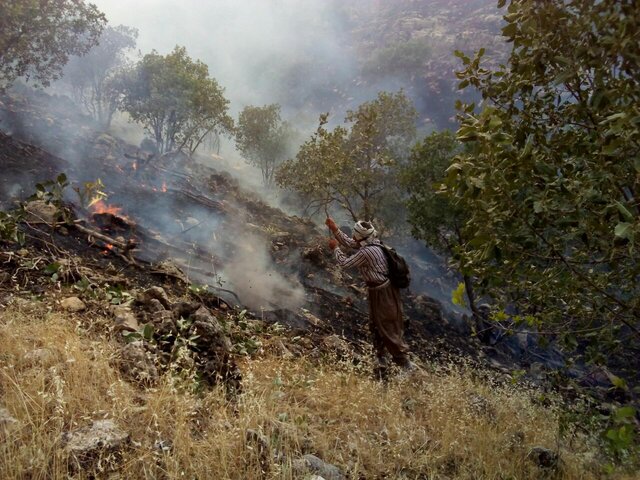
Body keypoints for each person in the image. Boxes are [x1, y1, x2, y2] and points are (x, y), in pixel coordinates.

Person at [325, 217, 415, 373]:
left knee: (387, 326)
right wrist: (334, 228)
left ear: (360, 236)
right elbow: (350, 243)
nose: (353, 237)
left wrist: (335, 249)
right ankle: (382, 359)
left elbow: (345, 263)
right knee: (376, 325)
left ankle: (406, 366)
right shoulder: (372, 244)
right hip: (377, 291)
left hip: (383, 293)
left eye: (354, 234)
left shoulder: (368, 251)